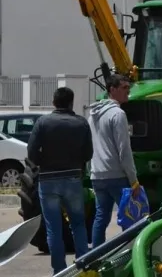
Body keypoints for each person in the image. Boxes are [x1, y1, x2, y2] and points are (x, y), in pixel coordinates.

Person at [27, 87, 93, 274]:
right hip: (73, 179)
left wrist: (42, 164)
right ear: (71, 102)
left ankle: (59, 270)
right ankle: (83, 266)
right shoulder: (81, 123)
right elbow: (88, 153)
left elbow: (31, 152)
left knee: (53, 228)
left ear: (54, 102)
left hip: (48, 180)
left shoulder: (42, 122)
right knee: (78, 224)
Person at [88, 73, 140, 247]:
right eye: (124, 88)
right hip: (116, 175)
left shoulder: (93, 114)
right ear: (112, 89)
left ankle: (96, 256)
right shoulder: (118, 114)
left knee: (101, 217)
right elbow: (124, 150)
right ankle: (130, 253)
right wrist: (133, 179)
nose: (128, 91)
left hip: (97, 175)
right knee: (129, 218)